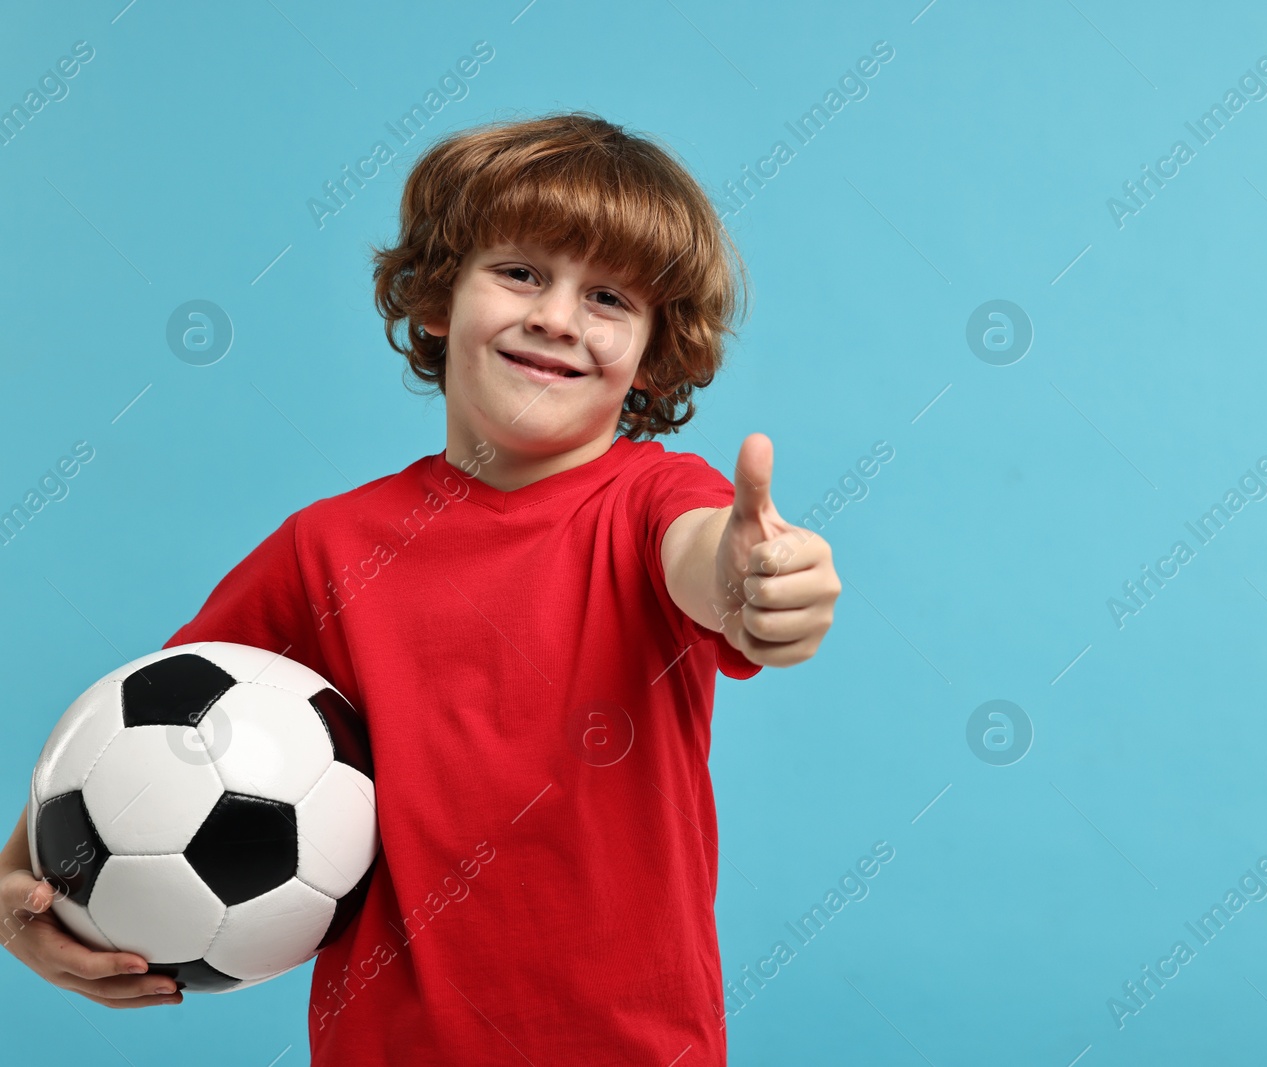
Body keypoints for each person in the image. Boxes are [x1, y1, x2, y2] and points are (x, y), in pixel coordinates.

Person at [0, 110, 840, 1065]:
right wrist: (22, 879)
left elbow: (706, 562)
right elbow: (145, 723)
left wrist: (757, 585)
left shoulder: (659, 501)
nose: (557, 317)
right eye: (521, 271)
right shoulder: (330, 547)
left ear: (651, 356)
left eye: (608, 297)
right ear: (440, 297)